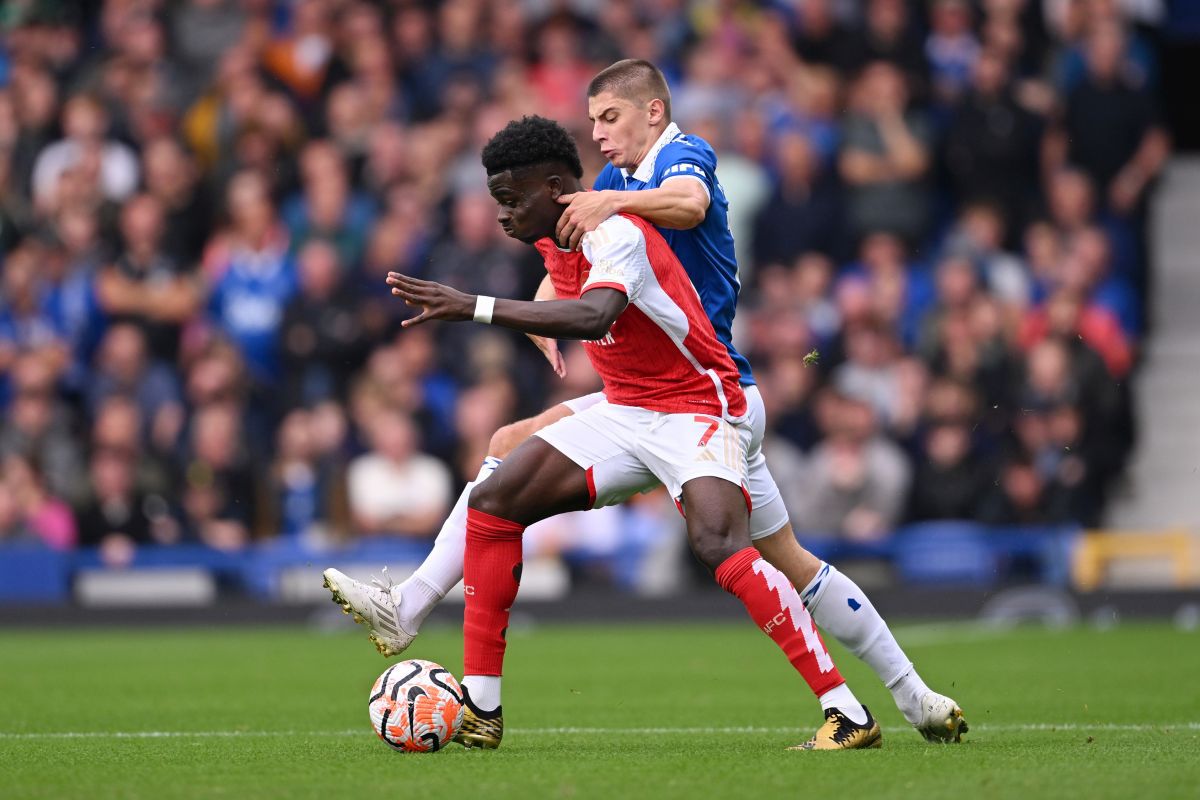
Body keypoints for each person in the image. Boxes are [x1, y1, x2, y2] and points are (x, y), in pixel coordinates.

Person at [325, 60, 965, 746]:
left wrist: (514, 282)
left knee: (731, 546)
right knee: (512, 451)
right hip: (641, 396)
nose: (598, 133)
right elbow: (564, 269)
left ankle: (857, 707)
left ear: (653, 113)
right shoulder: (605, 195)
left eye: (610, 117)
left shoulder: (675, 161)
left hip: (706, 395)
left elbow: (682, 209)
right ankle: (917, 698)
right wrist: (544, 314)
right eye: (593, 120)